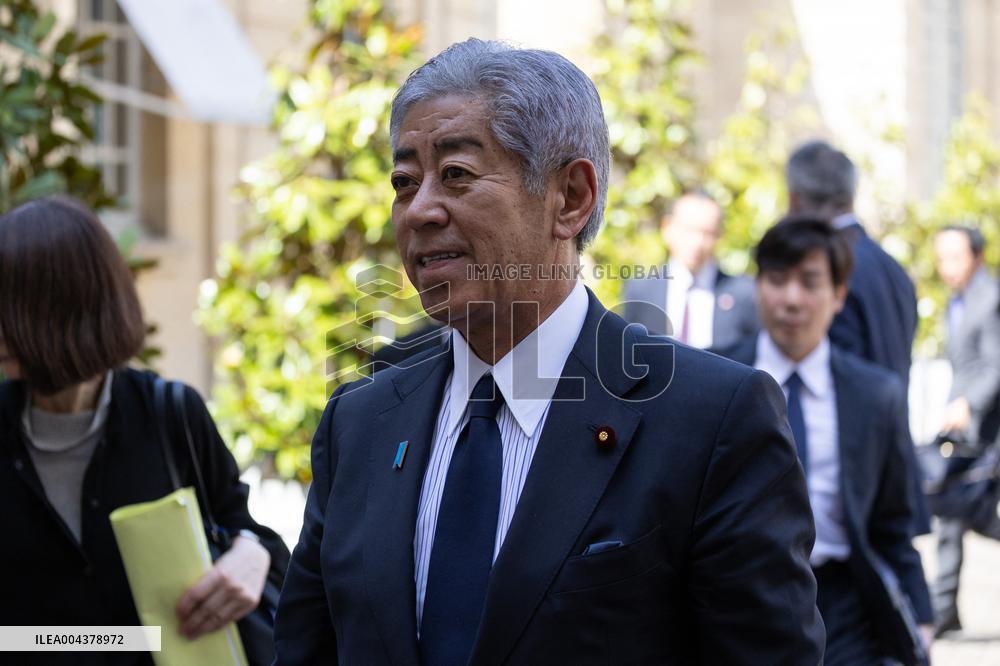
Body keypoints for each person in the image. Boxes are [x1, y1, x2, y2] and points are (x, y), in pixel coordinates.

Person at [274, 39, 824, 665]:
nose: (420, 209)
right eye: (404, 182)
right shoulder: (361, 422)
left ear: (570, 198)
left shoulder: (710, 420)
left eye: (456, 174)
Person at [0, 196, 289, 665]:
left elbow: (251, 535)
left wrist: (252, 556)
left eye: (9, 309)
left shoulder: (170, 414)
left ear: (65, 309)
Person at [713, 216, 933, 664]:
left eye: (810, 282)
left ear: (838, 295)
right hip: (738, 599)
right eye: (777, 280)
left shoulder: (875, 395)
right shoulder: (715, 381)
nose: (792, 299)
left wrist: (921, 618)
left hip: (843, 603)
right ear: (758, 288)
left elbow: (892, 524)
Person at [786, 140, 930, 537]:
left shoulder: (828, 271)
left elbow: (836, 377)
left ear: (794, 201)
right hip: (889, 462)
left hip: (850, 477)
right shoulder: (892, 268)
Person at [931, 223, 1000, 637]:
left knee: (965, 512)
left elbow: (995, 364)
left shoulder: (989, 299)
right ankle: (943, 610)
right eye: (941, 258)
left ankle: (941, 609)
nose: (946, 267)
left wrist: (967, 402)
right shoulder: (959, 299)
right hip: (969, 430)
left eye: (955, 257)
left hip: (987, 428)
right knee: (952, 511)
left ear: (976, 256)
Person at [622, 190, 757, 349]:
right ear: (668, 228)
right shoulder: (641, 290)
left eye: (708, 233)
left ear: (719, 235)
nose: (697, 242)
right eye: (689, 230)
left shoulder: (744, 293)